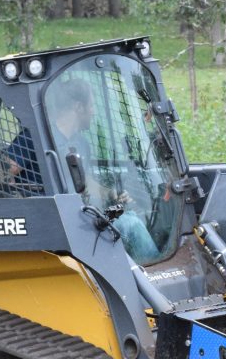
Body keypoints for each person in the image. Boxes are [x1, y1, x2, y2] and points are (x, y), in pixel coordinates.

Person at [46, 77, 160, 263]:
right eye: (91, 106)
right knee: (130, 225)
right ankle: (155, 274)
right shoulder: (37, 139)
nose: (93, 112)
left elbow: (86, 183)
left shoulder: (80, 143)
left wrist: (111, 194)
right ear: (78, 107)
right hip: (59, 222)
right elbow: (2, 175)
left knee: (127, 213)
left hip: (84, 215)